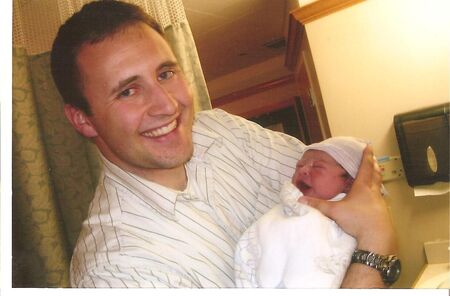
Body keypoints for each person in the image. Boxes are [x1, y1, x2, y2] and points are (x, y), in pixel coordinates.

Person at [50, 0, 398, 288]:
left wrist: (368, 223)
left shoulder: (220, 129)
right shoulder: (116, 271)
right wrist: (375, 247)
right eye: (128, 91)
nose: (168, 106)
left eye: (166, 74)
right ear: (82, 118)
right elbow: (367, 219)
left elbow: (348, 190)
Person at [234, 137, 368, 288]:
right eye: (299, 165)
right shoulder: (286, 211)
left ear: (349, 183)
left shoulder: (356, 223)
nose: (303, 170)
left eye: (317, 167)